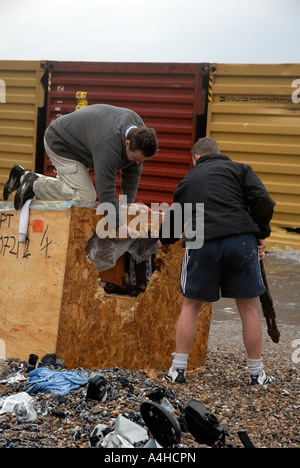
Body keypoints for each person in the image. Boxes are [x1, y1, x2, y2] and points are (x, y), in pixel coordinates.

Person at [159, 136, 276, 386]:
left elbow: (176, 216)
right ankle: (257, 374)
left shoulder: (190, 178)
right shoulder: (241, 170)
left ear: (196, 158)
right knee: (248, 309)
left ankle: (178, 370)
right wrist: (260, 233)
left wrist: (163, 241)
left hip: (202, 239)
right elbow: (264, 202)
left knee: (191, 305)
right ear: (219, 154)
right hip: (240, 239)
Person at [3, 104, 158, 234]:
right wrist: (118, 226)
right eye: (136, 158)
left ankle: (22, 176)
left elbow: (132, 172)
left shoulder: (138, 131)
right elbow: (106, 189)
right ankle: (32, 184)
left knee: (81, 190)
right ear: (127, 143)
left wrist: (128, 202)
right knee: (85, 195)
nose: (138, 163)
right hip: (60, 141)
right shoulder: (108, 145)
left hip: (83, 146)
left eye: (142, 160)